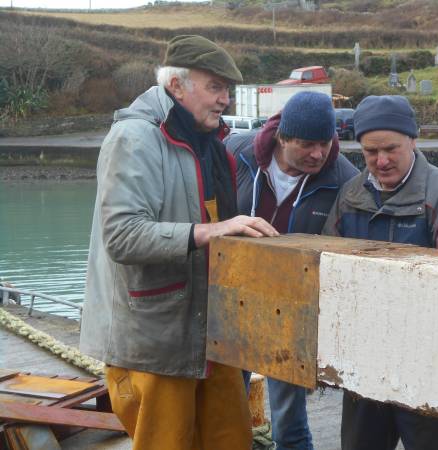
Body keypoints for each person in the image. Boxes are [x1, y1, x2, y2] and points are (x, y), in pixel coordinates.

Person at [79, 35, 278, 450]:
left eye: (228, 89)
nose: (225, 99)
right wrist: (210, 231)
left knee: (230, 441)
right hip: (156, 343)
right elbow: (122, 235)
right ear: (176, 86)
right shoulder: (134, 138)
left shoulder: (211, 143)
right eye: (214, 87)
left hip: (213, 335)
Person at [322, 95, 438, 450]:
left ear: (413, 140)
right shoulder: (349, 196)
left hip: (431, 366)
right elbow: (325, 267)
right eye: (370, 151)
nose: (381, 160)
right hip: (364, 363)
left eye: (391, 148)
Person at [225, 90, 359, 450]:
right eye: (306, 144)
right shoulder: (237, 153)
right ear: (283, 137)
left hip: (291, 308)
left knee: (290, 424)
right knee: (225, 412)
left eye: (325, 143)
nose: (318, 154)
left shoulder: (344, 177)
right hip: (230, 298)